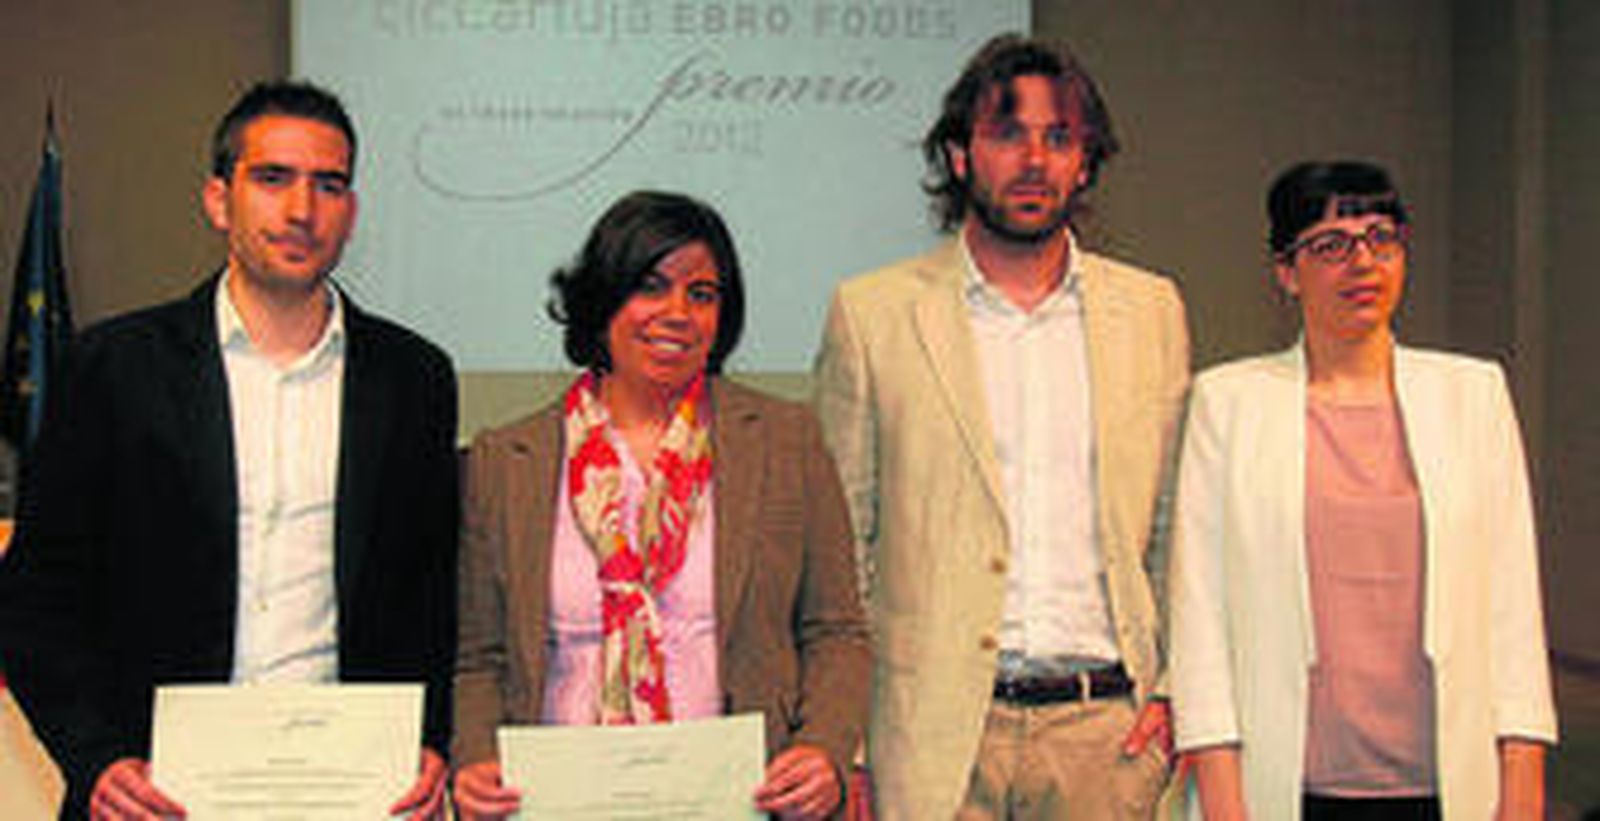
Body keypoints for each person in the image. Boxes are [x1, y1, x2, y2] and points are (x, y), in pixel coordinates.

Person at [0, 81, 459, 819]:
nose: (302, 209)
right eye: (273, 178)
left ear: (351, 211)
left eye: (329, 185)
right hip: (158, 795)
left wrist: (433, 739)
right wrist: (95, 758)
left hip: (352, 791)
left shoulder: (414, 378)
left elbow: (436, 597)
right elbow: (32, 599)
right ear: (219, 199)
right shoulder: (113, 368)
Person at [814, 33, 1190, 820]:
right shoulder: (873, 315)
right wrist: (846, 742)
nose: (1034, 160)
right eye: (1007, 133)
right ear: (959, 155)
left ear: (1085, 163)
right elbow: (843, 548)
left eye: (1059, 138)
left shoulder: (1152, 311)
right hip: (938, 737)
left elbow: (1173, 526)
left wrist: (1173, 687)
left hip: (1107, 736)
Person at [450, 190, 871, 820]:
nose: (678, 313)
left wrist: (823, 750)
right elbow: (479, 655)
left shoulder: (786, 439)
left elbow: (835, 630)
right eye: (651, 286)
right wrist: (476, 757)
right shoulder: (506, 458)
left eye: (702, 294)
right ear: (601, 301)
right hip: (556, 799)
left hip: (738, 799)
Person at [1168, 160, 1558, 820]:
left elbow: (1513, 604)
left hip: (1449, 783)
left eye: (1382, 237)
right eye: (1330, 245)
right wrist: (1224, 800)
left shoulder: (1473, 394)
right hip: (1287, 786)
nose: (1362, 261)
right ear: (1286, 272)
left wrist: (1523, 777)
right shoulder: (1228, 402)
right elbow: (1200, 616)